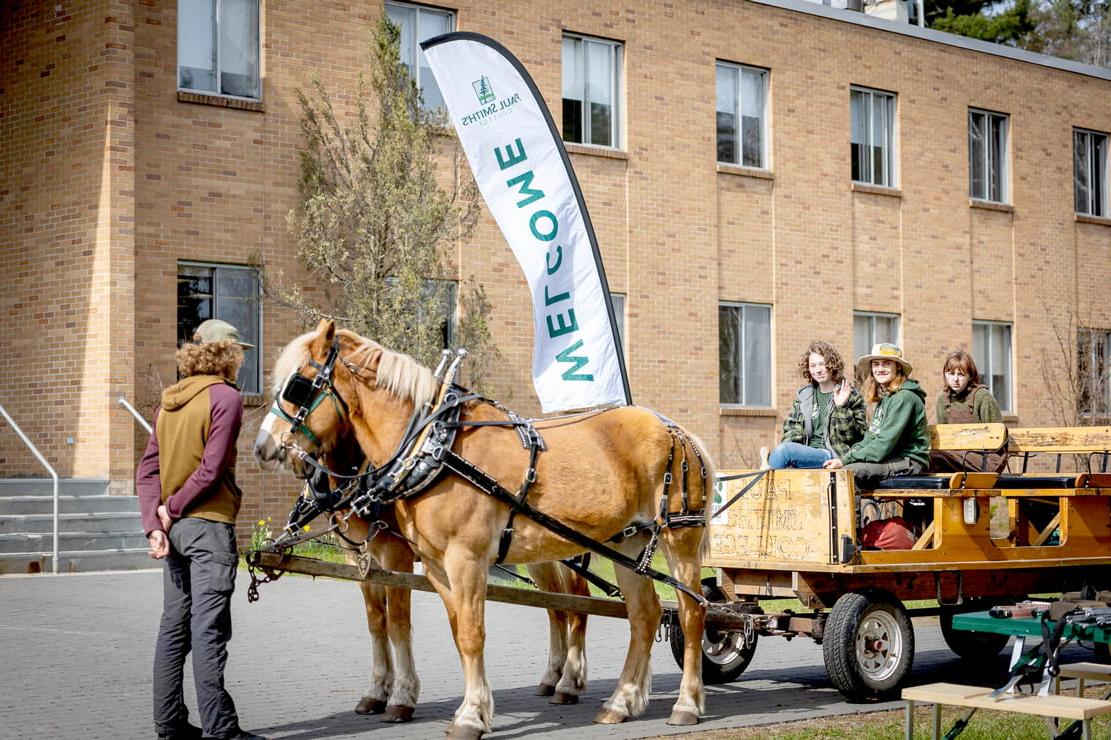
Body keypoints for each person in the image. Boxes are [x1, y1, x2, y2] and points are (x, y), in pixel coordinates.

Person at [137, 319, 267, 740]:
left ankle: (170, 725)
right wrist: (170, 510)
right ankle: (221, 731)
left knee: (174, 628)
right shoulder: (225, 397)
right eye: (239, 351)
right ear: (224, 354)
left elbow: (148, 470)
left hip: (174, 532)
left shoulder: (168, 401)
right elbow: (211, 470)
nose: (243, 358)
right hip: (207, 527)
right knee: (209, 631)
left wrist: (153, 524)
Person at [823, 343, 930, 489]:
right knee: (834, 473)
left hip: (909, 462)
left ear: (897, 367)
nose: (880, 369)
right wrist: (846, 457)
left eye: (886, 364)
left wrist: (845, 461)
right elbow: (871, 436)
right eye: (876, 364)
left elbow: (883, 445)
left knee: (847, 474)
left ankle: (852, 513)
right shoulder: (887, 397)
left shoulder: (904, 398)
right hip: (891, 458)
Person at [762, 341, 867, 469]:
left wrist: (841, 407)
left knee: (784, 451)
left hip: (833, 455)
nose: (817, 370)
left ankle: (762, 482)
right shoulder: (804, 397)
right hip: (806, 454)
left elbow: (854, 437)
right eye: (813, 366)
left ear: (832, 365)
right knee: (783, 451)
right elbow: (792, 431)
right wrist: (792, 455)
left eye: (822, 364)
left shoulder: (850, 395)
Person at [931, 349, 1008, 473]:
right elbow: (942, 438)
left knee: (935, 457)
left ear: (970, 376)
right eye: (951, 373)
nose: (955, 379)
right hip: (952, 457)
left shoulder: (982, 397)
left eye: (961, 374)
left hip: (984, 460)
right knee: (923, 459)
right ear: (945, 374)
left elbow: (998, 437)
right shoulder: (943, 400)